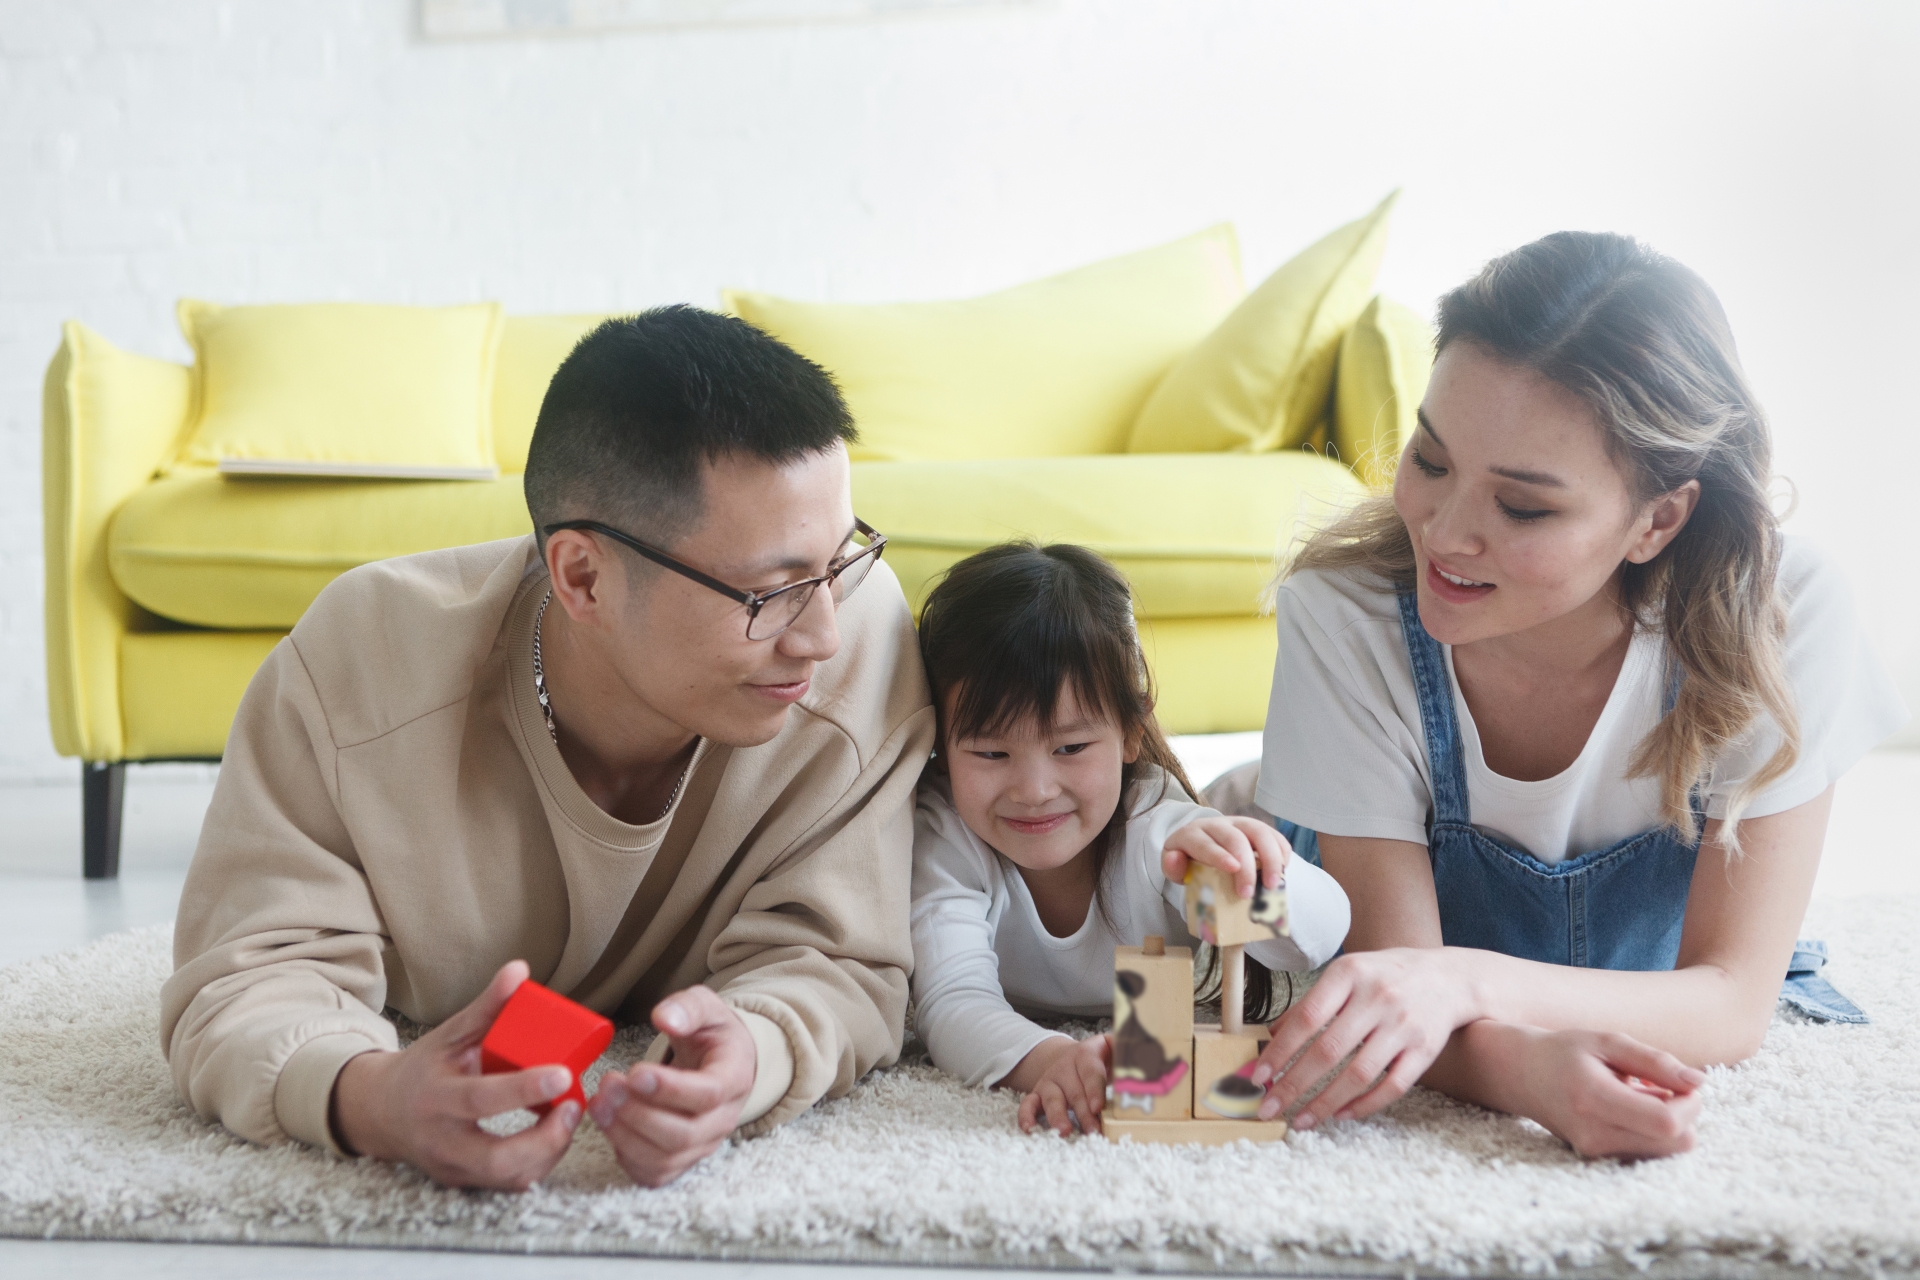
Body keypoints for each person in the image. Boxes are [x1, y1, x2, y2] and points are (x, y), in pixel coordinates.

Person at [160, 306, 935, 1189]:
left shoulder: (864, 643)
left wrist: (752, 1058)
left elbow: (845, 961)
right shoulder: (360, 671)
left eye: (839, 561)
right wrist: (372, 1097)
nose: (823, 635)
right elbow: (242, 977)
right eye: (770, 593)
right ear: (582, 576)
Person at [1242, 232, 1909, 1158]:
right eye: (1431, 461)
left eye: (1523, 507)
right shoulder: (1344, 614)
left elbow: (1733, 998)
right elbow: (1392, 981)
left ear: (1658, 517)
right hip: (1369, 914)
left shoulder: (1785, 617)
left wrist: (1465, 986)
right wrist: (1526, 1074)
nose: (1446, 532)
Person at [907, 542, 1351, 1135]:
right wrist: (1056, 1060)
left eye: (1070, 748)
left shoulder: (1160, 835)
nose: (1034, 789)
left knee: (1256, 803)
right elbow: (953, 1004)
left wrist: (1265, 871)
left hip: (1248, 804)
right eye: (991, 752)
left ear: (1131, 733)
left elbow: (1317, 941)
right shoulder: (946, 839)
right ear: (941, 748)